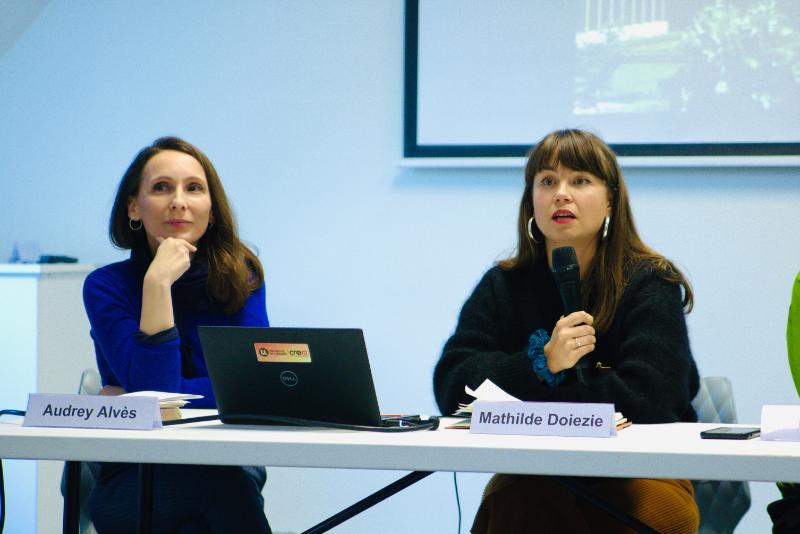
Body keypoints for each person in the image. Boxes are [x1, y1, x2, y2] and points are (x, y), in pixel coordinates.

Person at [433, 129, 700, 533]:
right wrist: (542, 364)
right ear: (531, 203)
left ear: (610, 199)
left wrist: (533, 400)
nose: (561, 194)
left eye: (580, 180)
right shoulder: (505, 285)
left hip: (643, 473)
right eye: (547, 181)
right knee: (520, 503)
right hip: (534, 473)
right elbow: (454, 388)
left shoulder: (650, 282)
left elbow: (654, 402)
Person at [83, 136, 272, 533]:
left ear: (212, 209)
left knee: (217, 485)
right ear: (134, 206)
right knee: (218, 491)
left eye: (194, 188)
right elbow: (156, 393)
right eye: (161, 187)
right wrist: (157, 284)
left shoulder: (244, 277)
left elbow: (252, 390)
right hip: (135, 471)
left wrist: (145, 397)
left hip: (227, 459)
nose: (179, 201)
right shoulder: (106, 286)